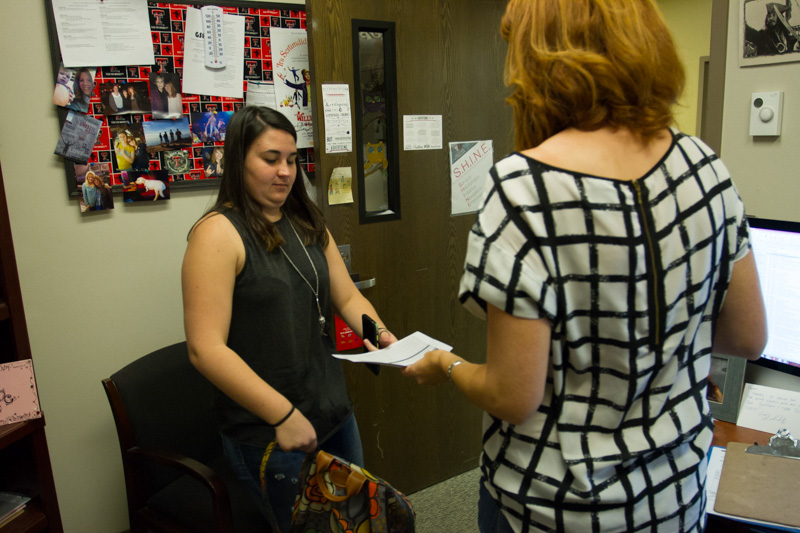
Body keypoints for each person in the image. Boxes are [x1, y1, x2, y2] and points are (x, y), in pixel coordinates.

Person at [402, 1, 768, 532]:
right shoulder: (705, 169)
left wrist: (447, 365)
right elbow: (747, 336)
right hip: (674, 498)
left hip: (557, 508)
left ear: (537, 63)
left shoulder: (524, 187)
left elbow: (512, 395)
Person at [182, 106, 397, 531]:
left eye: (292, 159)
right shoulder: (217, 234)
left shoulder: (305, 221)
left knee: (357, 525)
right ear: (238, 158)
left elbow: (348, 296)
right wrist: (282, 415)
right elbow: (204, 349)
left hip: (333, 412)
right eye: (270, 159)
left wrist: (385, 336)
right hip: (271, 432)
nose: (285, 171)